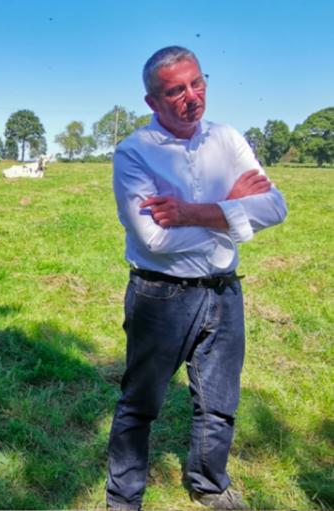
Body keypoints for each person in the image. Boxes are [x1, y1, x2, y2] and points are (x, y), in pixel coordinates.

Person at [106, 46, 287, 510]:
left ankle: (208, 484)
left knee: (220, 400)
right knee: (140, 403)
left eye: (197, 83)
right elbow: (153, 240)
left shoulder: (227, 139)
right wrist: (232, 208)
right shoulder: (134, 152)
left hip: (225, 291)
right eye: (175, 90)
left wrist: (192, 212)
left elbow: (276, 207)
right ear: (153, 102)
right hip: (160, 295)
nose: (191, 96)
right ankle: (123, 499)